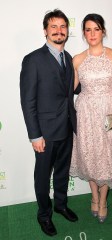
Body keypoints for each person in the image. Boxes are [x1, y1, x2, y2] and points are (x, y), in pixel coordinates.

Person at [20, 9, 78, 237]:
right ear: (45, 31)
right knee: (43, 178)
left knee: (62, 172)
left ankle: (61, 205)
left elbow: (71, 90)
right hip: (44, 132)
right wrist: (35, 136)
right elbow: (28, 101)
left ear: (67, 30)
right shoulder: (33, 59)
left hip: (66, 127)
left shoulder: (70, 58)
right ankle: (44, 215)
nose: (58, 31)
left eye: (63, 26)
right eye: (53, 27)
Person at [70, 13, 112, 223]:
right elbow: (70, 89)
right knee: (90, 156)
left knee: (108, 156)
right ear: (84, 33)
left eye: (96, 29)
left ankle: (103, 200)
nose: (92, 33)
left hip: (110, 111)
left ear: (103, 31)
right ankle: (93, 197)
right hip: (85, 113)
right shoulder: (77, 59)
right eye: (88, 29)